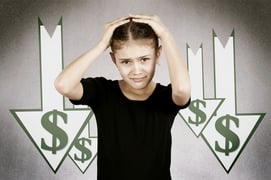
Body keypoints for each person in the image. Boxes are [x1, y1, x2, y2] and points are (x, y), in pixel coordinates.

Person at [55, 14, 191, 180]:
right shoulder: (103, 91)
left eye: (144, 59)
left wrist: (166, 35)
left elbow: (183, 90)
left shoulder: (166, 97)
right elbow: (63, 85)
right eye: (126, 61)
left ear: (158, 54)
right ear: (114, 59)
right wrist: (100, 45)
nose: (136, 70)